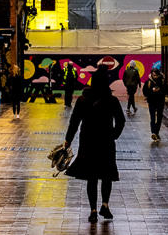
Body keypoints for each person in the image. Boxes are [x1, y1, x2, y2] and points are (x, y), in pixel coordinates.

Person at [64, 67, 126, 223]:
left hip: (88, 141)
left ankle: (92, 210)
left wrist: (68, 140)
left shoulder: (83, 99)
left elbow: (74, 121)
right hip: (106, 141)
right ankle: (105, 204)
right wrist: (114, 135)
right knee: (106, 175)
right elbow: (121, 121)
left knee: (91, 176)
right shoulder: (111, 100)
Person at [142, 63, 168, 141]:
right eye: (153, 75)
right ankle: (153, 132)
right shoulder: (148, 82)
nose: (155, 77)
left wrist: (159, 90)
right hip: (152, 102)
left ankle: (157, 132)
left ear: (158, 75)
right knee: (153, 118)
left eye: (156, 75)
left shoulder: (162, 81)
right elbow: (145, 92)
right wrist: (152, 91)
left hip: (160, 101)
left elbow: (166, 90)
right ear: (151, 75)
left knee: (159, 118)